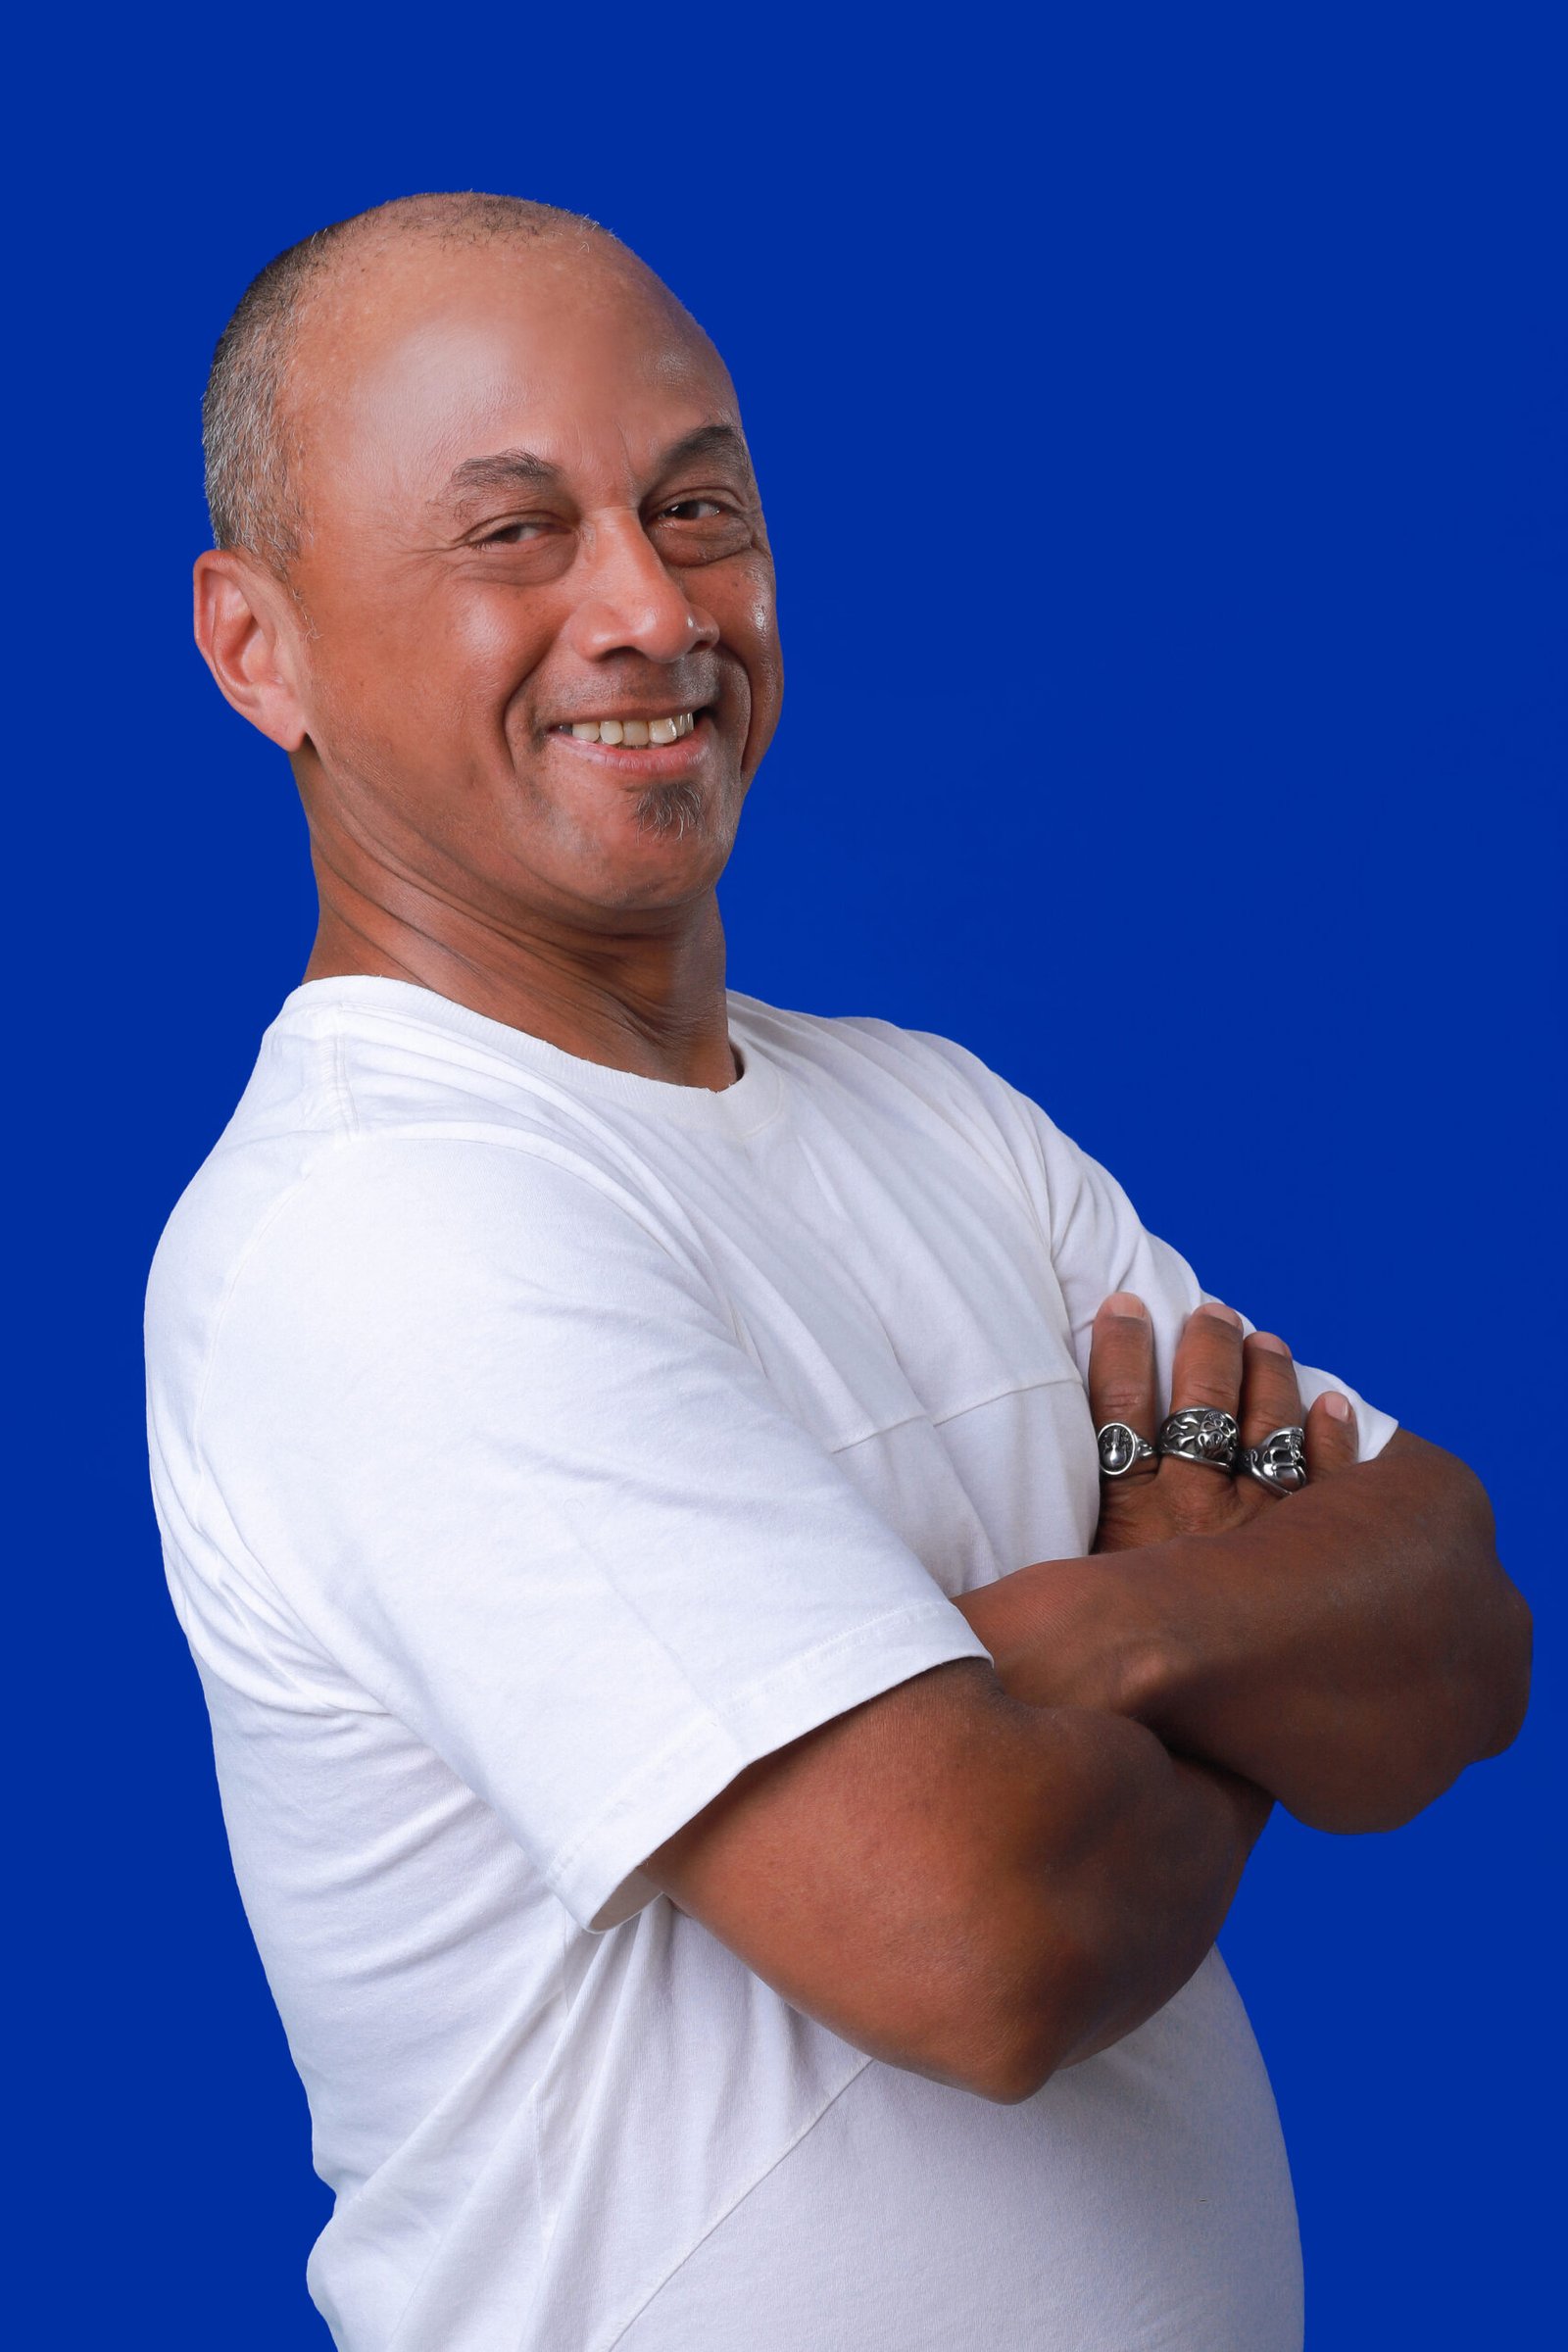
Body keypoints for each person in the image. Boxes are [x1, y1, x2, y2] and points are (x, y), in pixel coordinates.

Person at [144, 192, 1531, 2352]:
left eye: (695, 507)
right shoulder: (385, 1228)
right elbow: (984, 1947)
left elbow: (1454, 1619)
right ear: (262, 650)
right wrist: (1239, 1637)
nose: (648, 609)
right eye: (514, 533)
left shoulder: (932, 1115)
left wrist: (1102, 1624)